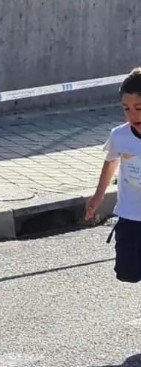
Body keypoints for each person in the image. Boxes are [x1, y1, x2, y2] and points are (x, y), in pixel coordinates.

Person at [85, 67, 141, 283]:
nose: (132, 115)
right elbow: (110, 162)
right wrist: (98, 195)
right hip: (130, 215)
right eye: (126, 109)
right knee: (127, 272)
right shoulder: (120, 136)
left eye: (139, 107)